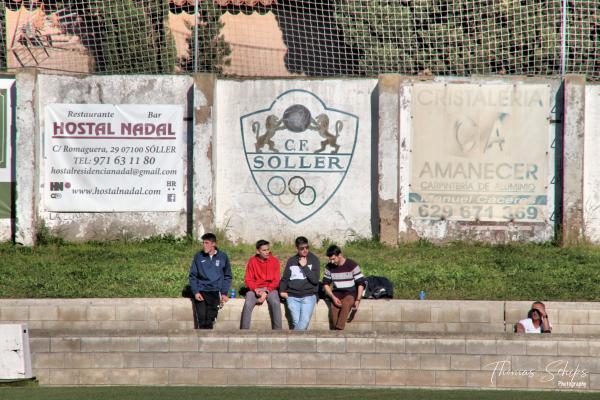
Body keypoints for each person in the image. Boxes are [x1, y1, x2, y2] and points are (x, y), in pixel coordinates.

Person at [188, 232, 232, 329]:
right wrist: (196, 292)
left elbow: (228, 276)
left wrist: (224, 293)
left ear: (213, 244)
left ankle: (209, 342)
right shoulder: (198, 256)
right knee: (202, 319)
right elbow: (193, 276)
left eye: (206, 243)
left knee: (210, 320)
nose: (204, 245)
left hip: (215, 292)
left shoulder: (223, 257)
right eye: (203, 243)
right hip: (201, 292)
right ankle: (201, 342)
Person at [279, 236, 320, 330]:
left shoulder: (314, 260)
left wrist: (305, 266)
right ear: (297, 248)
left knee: (303, 323)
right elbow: (285, 278)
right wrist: (281, 291)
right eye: (302, 248)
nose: (305, 250)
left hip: (308, 295)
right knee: (296, 323)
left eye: (307, 247)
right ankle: (300, 344)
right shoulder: (292, 261)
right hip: (293, 296)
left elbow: (315, 280)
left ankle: (290, 341)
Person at [240, 240, 282, 330]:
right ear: (258, 251)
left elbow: (276, 281)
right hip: (255, 288)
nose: (267, 252)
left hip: (270, 289)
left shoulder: (275, 261)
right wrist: (255, 289)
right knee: (247, 303)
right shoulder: (252, 261)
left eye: (268, 249)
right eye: (264, 250)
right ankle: (244, 332)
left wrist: (266, 292)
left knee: (275, 302)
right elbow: (248, 279)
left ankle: (278, 332)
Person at [322, 245, 366, 330]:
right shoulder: (329, 267)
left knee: (346, 303)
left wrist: (358, 300)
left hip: (350, 293)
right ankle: (337, 332)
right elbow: (325, 284)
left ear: (340, 255)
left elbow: (361, 283)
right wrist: (333, 297)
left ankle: (338, 329)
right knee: (334, 310)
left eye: (333, 259)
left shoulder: (352, 265)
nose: (331, 262)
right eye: (330, 259)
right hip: (337, 294)